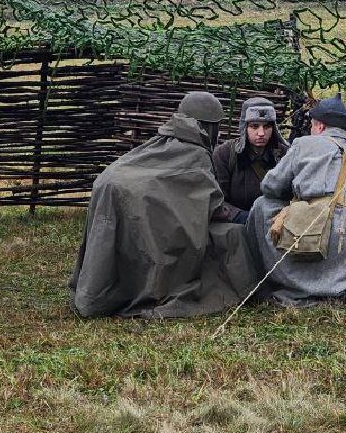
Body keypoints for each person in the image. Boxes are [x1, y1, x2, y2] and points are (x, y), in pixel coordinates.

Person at [70, 91, 256, 319]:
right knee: (229, 236)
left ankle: (100, 289)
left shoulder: (162, 141)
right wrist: (245, 217)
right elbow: (211, 205)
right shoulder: (196, 154)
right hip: (130, 204)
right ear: (208, 126)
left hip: (109, 188)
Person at [243, 96, 346, 307]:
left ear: (319, 125)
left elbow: (271, 187)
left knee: (263, 205)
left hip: (312, 239)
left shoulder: (303, 144)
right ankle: (342, 288)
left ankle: (279, 283)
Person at [212, 96, 289, 215]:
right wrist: (242, 217)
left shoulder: (285, 155)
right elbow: (217, 200)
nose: (261, 133)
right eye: (254, 126)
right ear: (245, 127)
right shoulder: (224, 155)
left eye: (267, 126)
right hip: (237, 226)